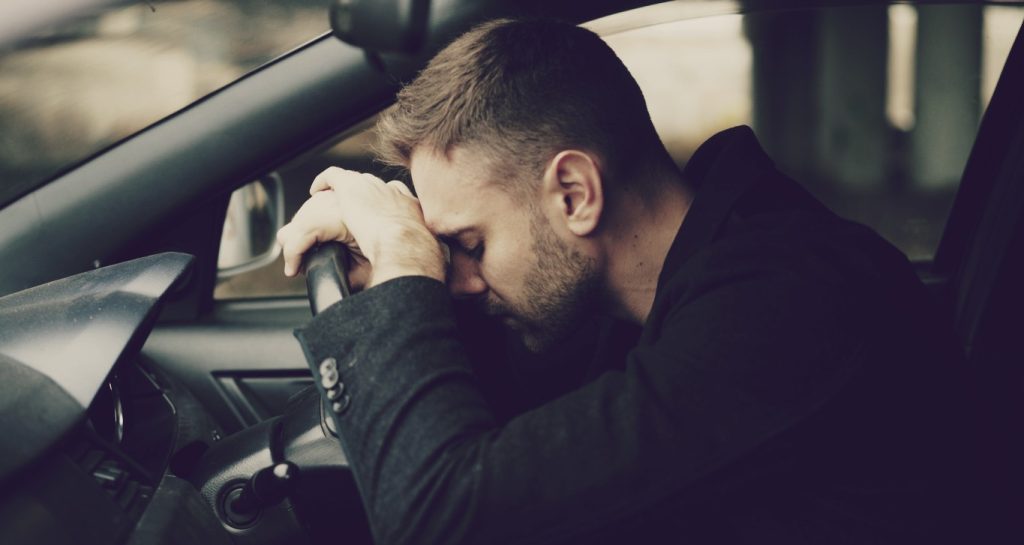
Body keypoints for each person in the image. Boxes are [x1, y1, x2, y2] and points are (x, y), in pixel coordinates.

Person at [276, 18, 977, 545]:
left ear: (575, 193)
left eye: (468, 244)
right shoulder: (637, 294)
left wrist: (404, 260)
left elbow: (448, 521)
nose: (457, 280)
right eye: (443, 249)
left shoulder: (787, 305)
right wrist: (397, 272)